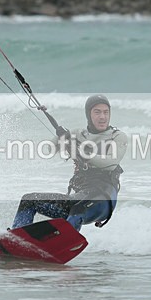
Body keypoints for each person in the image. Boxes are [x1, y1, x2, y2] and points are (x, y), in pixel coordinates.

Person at [11, 94, 128, 232]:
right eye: (97, 112)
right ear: (88, 114)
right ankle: (17, 238)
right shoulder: (79, 134)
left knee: (77, 209)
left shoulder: (117, 136)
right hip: (80, 196)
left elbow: (110, 163)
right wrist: (63, 137)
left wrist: (82, 151)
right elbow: (49, 149)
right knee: (28, 201)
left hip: (103, 199)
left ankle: (60, 246)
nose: (102, 117)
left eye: (106, 112)